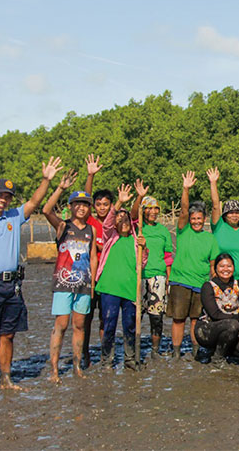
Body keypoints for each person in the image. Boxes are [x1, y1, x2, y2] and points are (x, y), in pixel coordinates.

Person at [0, 157, 63, 398]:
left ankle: (6, 379)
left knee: (8, 334)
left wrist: (46, 180)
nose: (2, 199)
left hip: (12, 286)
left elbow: (35, 201)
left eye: (7, 196)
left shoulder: (14, 217)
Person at [41, 171, 98, 383]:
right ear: (71, 206)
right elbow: (46, 210)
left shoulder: (91, 230)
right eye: (77, 204)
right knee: (61, 325)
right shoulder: (63, 226)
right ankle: (54, 370)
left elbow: (93, 258)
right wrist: (60, 188)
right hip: (63, 283)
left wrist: (92, 284)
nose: (81, 207)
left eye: (85, 204)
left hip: (83, 284)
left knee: (79, 325)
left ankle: (76, 366)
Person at [167, 171, 221, 361]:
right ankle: (176, 352)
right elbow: (183, 210)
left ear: (204, 219)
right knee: (178, 318)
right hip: (180, 281)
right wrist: (186, 189)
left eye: (200, 218)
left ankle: (196, 350)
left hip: (200, 283)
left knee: (196, 320)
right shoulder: (183, 231)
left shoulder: (210, 238)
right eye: (194, 218)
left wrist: (213, 286)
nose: (197, 221)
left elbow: (213, 264)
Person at [94, 202, 144, 371]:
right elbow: (107, 222)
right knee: (109, 323)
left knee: (129, 324)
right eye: (119, 220)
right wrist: (119, 204)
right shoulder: (110, 236)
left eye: (126, 220)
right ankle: (107, 359)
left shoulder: (136, 241)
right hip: (110, 288)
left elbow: (142, 263)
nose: (123, 223)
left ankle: (130, 357)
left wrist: (144, 248)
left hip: (130, 289)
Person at [130, 179, 173, 359]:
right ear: (143, 210)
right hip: (139, 275)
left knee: (156, 316)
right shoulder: (137, 227)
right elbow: (132, 214)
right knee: (135, 315)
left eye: (156, 209)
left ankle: (155, 350)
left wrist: (169, 278)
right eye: (149, 208)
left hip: (158, 276)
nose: (153, 212)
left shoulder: (163, 231)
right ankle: (133, 349)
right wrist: (140, 197)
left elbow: (168, 256)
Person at [195, 253, 239, 368]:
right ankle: (217, 358)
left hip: (230, 329)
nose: (225, 269)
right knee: (233, 325)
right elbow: (215, 314)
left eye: (229, 266)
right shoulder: (208, 286)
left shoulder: (238, 284)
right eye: (221, 266)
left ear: (233, 268)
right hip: (207, 329)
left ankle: (221, 351)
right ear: (215, 269)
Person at [81, 154, 110, 369]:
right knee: (86, 317)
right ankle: (84, 353)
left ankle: (104, 352)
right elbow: (86, 198)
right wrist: (90, 175)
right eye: (98, 204)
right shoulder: (90, 221)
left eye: (105, 204)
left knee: (105, 319)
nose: (101, 207)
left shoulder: (114, 223)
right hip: (89, 276)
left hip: (108, 277)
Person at [206, 167, 239, 277]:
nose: (234, 215)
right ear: (225, 215)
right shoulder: (219, 227)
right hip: (226, 280)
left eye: (237, 212)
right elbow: (215, 206)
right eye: (231, 212)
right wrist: (213, 183)